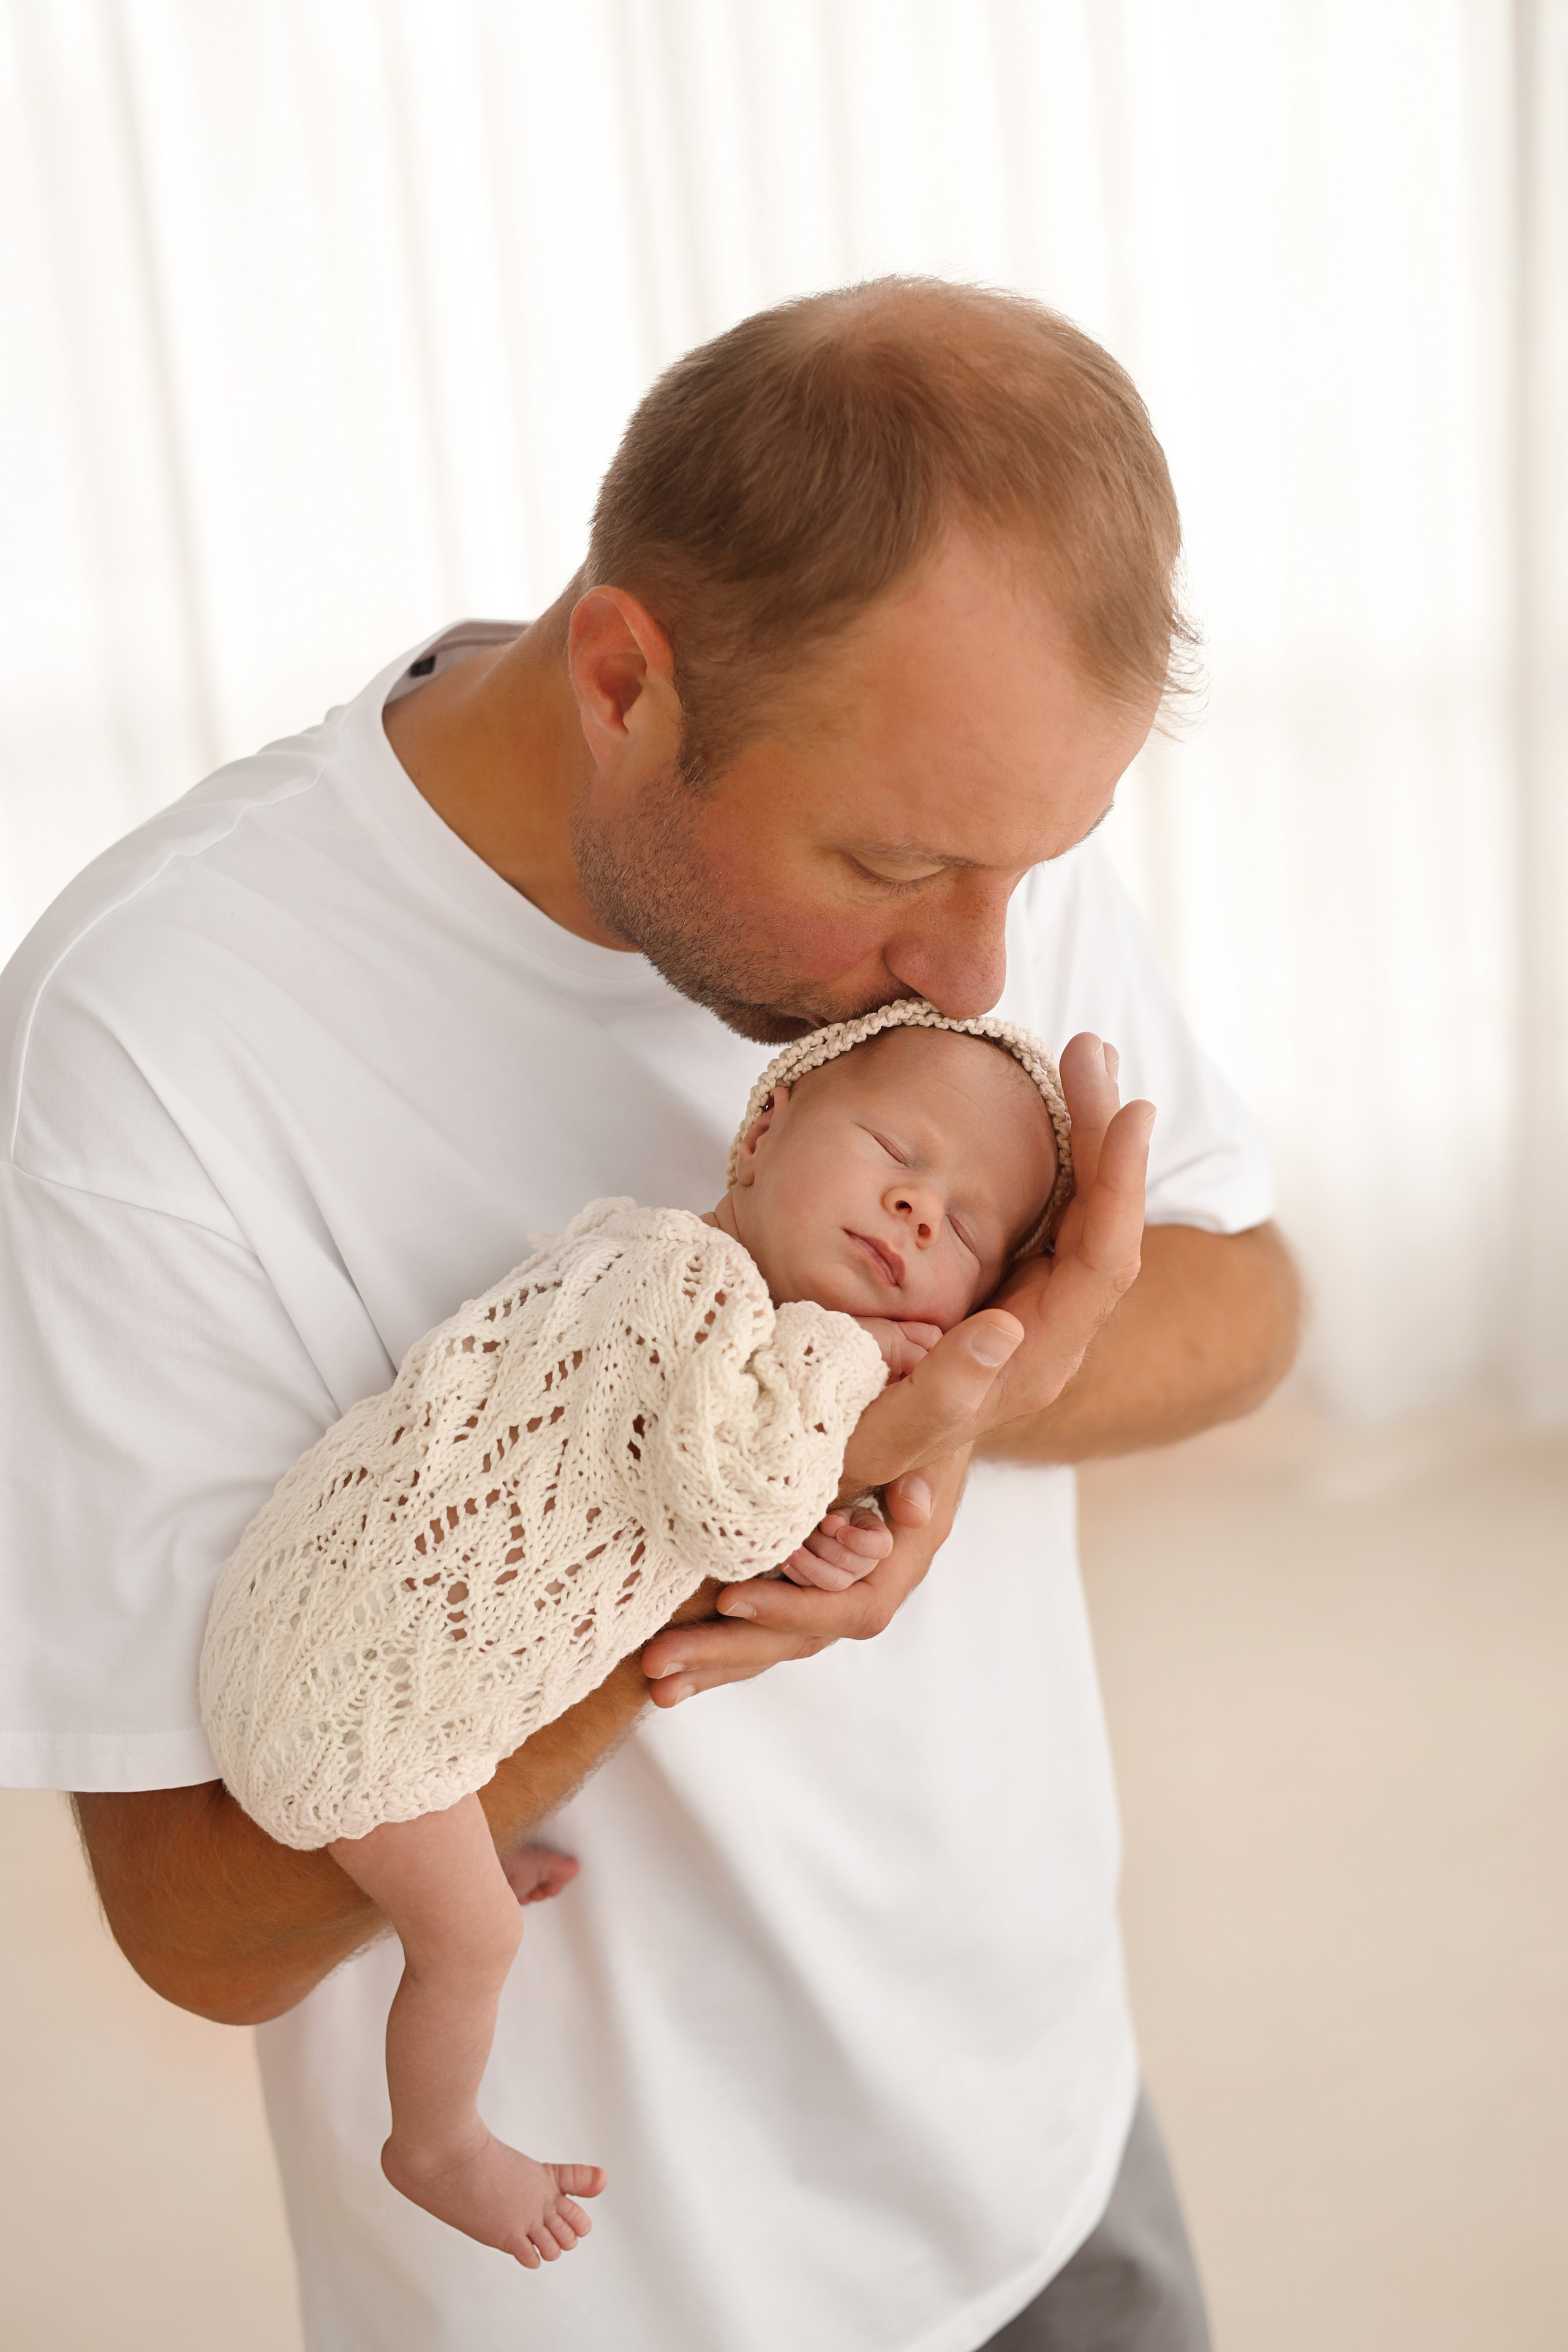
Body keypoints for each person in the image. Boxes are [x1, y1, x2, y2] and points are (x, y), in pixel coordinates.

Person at [0, 279, 1299, 2350]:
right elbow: (205, 1921)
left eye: (1033, 868)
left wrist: (992, 1392)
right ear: (625, 679)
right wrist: (732, 1521)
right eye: (893, 865)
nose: (977, 972)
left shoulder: (978, 830)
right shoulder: (154, 1042)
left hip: (1051, 2167)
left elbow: (1247, 1304)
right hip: (607, 2293)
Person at [199, 1008, 1079, 2271]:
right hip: (336, 1699)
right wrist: (846, 1361)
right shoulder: (680, 1280)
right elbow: (732, 1506)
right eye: (897, 1149)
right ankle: (436, 2140)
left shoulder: (696, 1300)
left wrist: (821, 1519)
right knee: (476, 1944)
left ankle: (417, 1848)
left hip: (329, 1650)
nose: (917, 1211)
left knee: (453, 1778)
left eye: (970, 1229)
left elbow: (722, 1500)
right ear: (763, 1129)